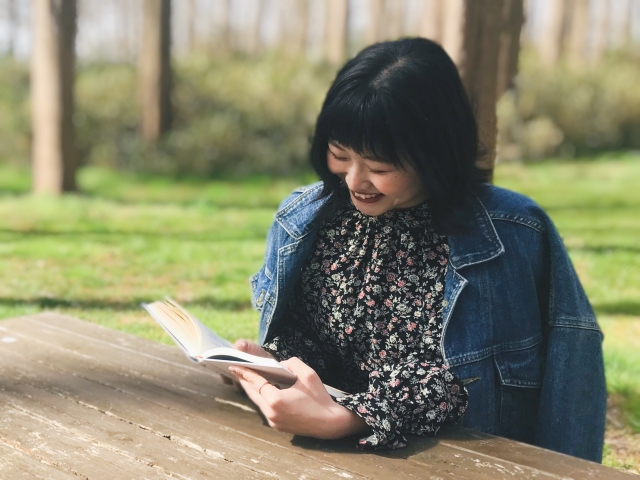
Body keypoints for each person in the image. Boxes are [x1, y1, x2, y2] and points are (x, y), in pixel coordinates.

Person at [226, 38, 607, 461]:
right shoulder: (305, 216)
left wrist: (354, 416)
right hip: (322, 458)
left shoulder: (511, 234)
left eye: (379, 167)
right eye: (340, 155)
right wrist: (274, 359)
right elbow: (322, 342)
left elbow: (475, 379)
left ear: (434, 155)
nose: (354, 181)